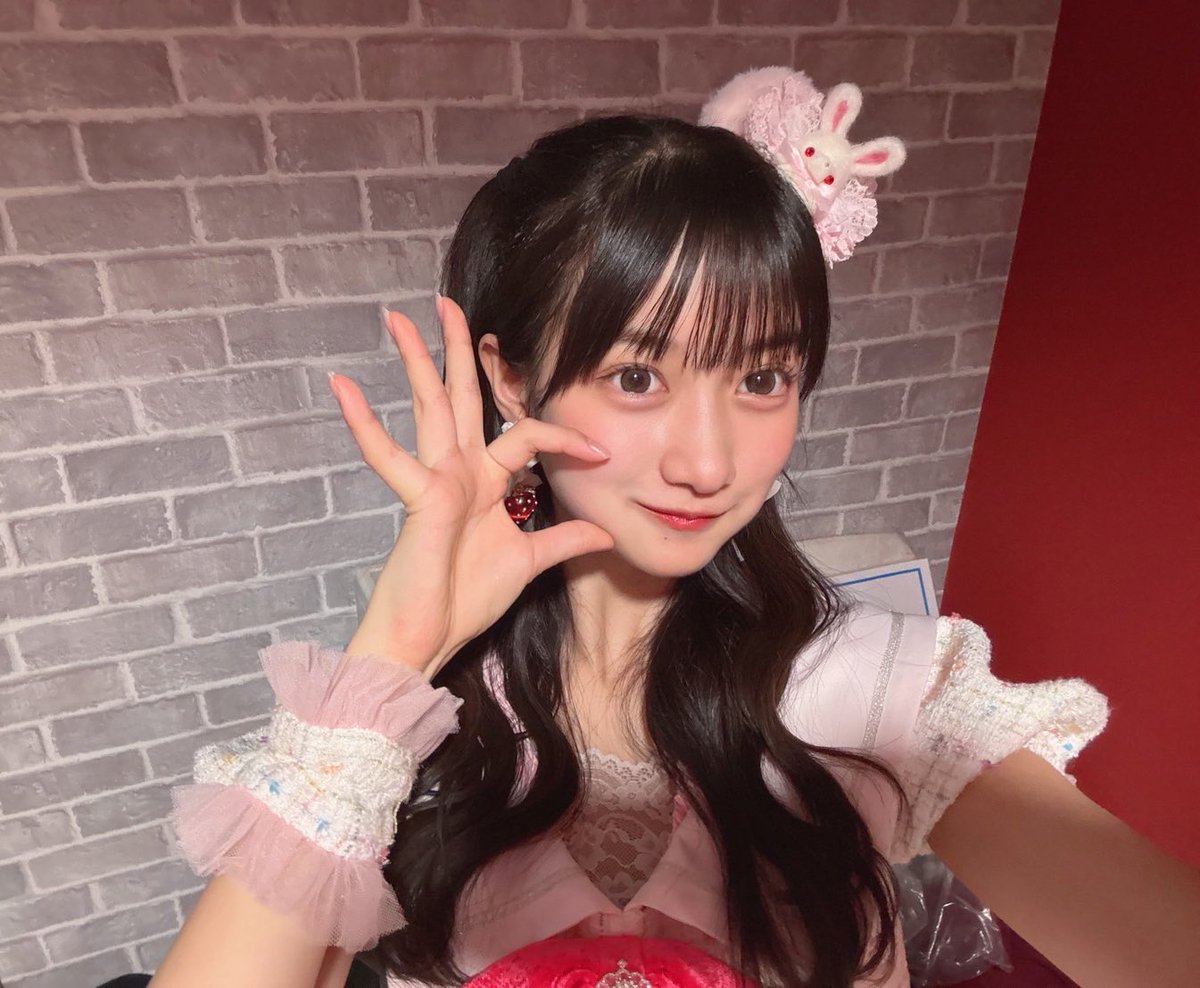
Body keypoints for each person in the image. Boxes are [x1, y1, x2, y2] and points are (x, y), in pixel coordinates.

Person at [145, 70, 1200, 988]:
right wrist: (394, 650)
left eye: (763, 377)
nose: (709, 463)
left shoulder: (882, 695)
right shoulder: (395, 735)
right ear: (510, 378)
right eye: (638, 375)